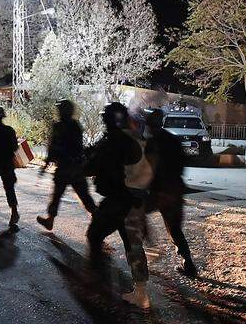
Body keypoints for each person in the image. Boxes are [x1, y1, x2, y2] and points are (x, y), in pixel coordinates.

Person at [83, 102, 142, 271]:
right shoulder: (129, 140)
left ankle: (102, 284)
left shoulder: (112, 142)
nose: (103, 120)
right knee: (131, 242)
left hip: (117, 199)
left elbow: (91, 167)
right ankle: (138, 283)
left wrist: (85, 160)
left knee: (94, 235)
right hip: (130, 199)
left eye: (106, 117)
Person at [144, 109, 198, 278]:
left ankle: (149, 247)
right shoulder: (173, 140)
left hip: (159, 192)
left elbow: (148, 169)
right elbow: (183, 164)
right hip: (175, 190)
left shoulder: (152, 143)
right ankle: (188, 264)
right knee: (175, 229)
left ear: (150, 125)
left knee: (134, 212)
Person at [37, 99, 97, 231]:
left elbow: (53, 148)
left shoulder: (59, 126)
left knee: (57, 195)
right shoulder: (76, 126)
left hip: (65, 168)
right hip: (76, 168)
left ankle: (50, 220)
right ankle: (97, 219)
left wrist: (46, 165)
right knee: (84, 196)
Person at [118, 113, 154, 309]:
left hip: (131, 196)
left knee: (133, 243)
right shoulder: (141, 142)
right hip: (138, 195)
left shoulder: (127, 143)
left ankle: (141, 293)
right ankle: (139, 290)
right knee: (134, 241)